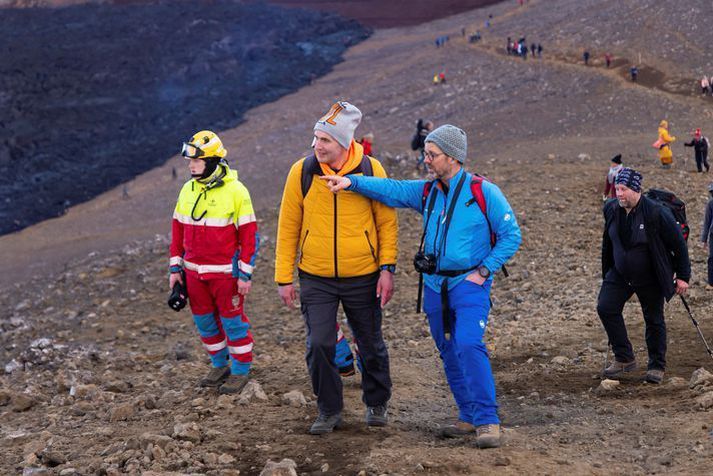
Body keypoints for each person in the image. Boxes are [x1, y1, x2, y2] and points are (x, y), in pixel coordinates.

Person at [321, 124, 522, 449]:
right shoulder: (428, 192)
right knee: (448, 350)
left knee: (469, 343)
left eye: (432, 154)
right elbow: (391, 190)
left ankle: (487, 420)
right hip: (433, 285)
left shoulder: (484, 192)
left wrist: (485, 270)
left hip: (469, 282)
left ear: (453, 158)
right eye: (425, 153)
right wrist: (351, 182)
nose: (426, 160)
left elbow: (512, 235)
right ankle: (467, 415)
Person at [275, 101, 398, 435]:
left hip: (364, 274)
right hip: (316, 276)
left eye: (324, 140)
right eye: (315, 138)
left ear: (343, 143)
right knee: (319, 344)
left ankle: (376, 401)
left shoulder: (371, 171)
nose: (317, 145)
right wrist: (283, 277)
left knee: (370, 342)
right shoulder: (302, 172)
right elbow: (288, 226)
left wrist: (387, 268)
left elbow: (387, 223)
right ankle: (329, 409)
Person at [169, 130, 258, 394]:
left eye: (196, 160)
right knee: (204, 322)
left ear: (212, 161)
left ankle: (241, 369)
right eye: (190, 160)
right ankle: (220, 364)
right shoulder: (187, 189)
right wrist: (175, 268)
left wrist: (244, 275)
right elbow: (177, 232)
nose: (190, 165)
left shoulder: (237, 192)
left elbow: (250, 237)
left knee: (233, 322)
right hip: (194, 275)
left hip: (226, 275)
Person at [597, 168, 690, 384]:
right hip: (620, 273)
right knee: (606, 307)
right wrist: (607, 271)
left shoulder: (656, 212)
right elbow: (607, 243)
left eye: (624, 189)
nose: (619, 194)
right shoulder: (611, 208)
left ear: (636, 189)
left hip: (650, 275)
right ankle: (624, 357)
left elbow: (678, 245)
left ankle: (656, 366)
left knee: (653, 318)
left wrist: (683, 276)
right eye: (617, 189)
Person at [701, 183, 713, 287]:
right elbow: (707, 222)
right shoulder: (711, 204)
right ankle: (711, 281)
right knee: (711, 258)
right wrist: (704, 239)